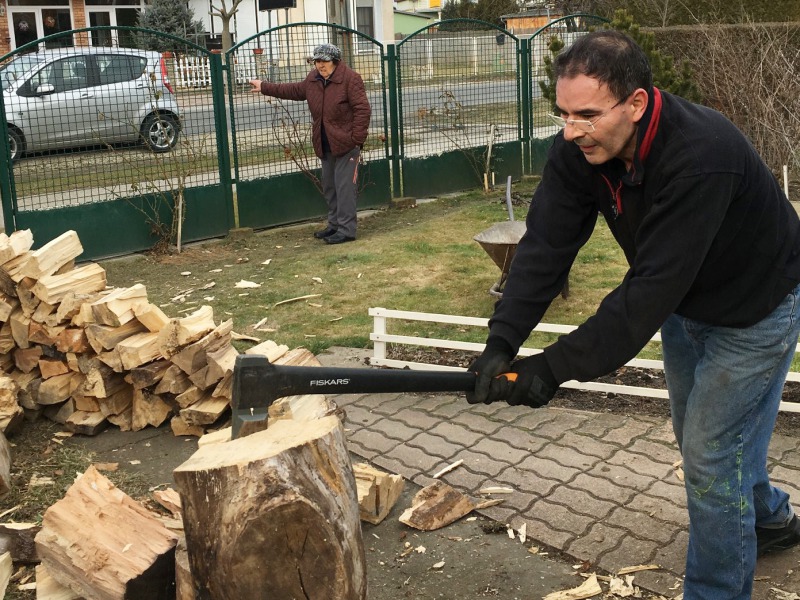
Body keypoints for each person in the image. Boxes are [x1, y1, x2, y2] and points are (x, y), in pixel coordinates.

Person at [467, 30, 800, 600]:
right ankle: (769, 520)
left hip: (756, 308)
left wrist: (550, 367)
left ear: (637, 104)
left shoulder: (701, 156)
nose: (571, 131)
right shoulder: (580, 149)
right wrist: (503, 340)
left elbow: (645, 295)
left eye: (587, 116)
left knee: (711, 454)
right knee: (703, 436)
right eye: (563, 114)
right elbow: (546, 245)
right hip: (684, 302)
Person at [248, 43, 371, 244]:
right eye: (317, 61)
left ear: (335, 62)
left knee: (344, 188)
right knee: (330, 187)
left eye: (324, 61)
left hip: (346, 144)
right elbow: (293, 90)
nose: (320, 65)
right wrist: (264, 87)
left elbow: (362, 110)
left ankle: (347, 230)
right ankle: (334, 226)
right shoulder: (313, 80)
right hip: (325, 143)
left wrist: (356, 140)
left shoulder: (350, 79)